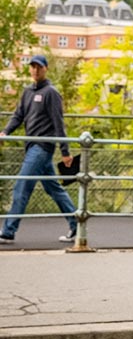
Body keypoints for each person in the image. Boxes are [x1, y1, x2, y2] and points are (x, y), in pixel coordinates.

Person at [0, 54, 78, 244]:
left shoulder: (51, 93)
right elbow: (18, 115)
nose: (35, 70)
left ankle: (8, 231)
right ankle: (77, 225)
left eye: (39, 67)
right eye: (33, 67)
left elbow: (59, 123)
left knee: (22, 185)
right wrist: (5, 132)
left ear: (45, 69)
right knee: (54, 189)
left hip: (42, 147)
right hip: (32, 147)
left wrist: (65, 151)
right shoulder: (27, 91)